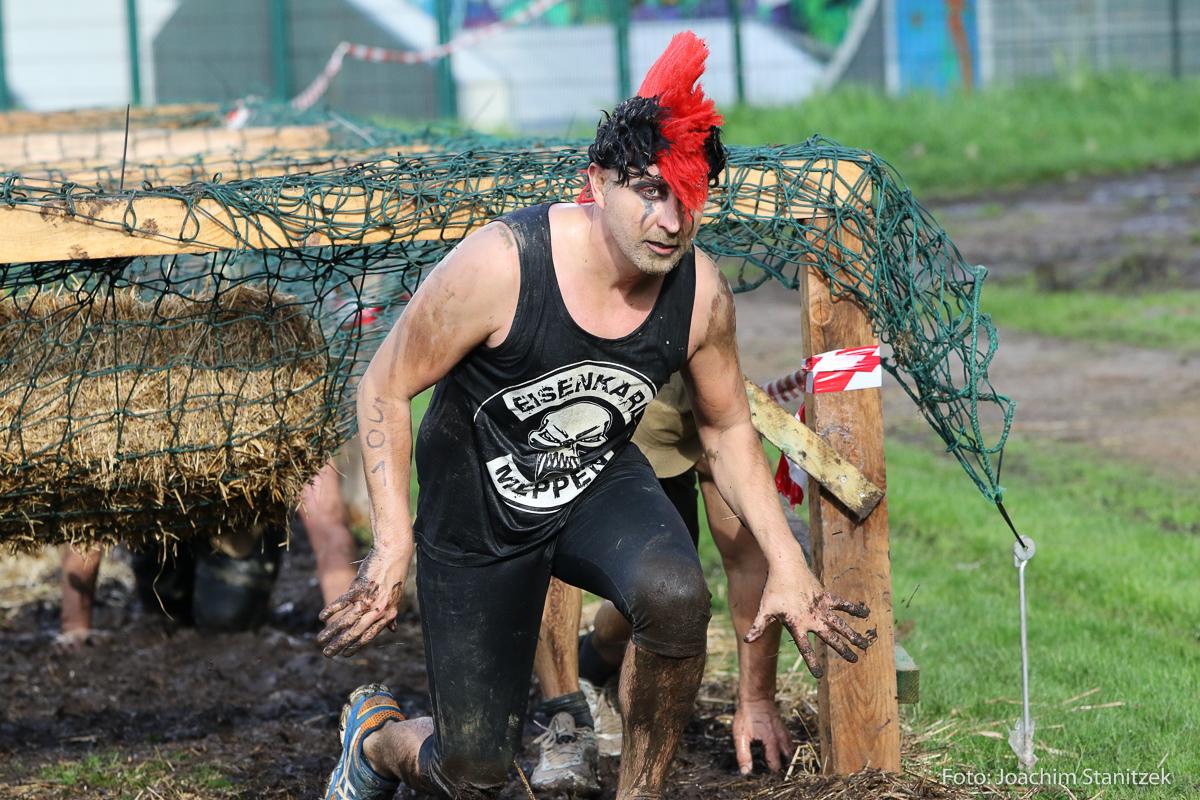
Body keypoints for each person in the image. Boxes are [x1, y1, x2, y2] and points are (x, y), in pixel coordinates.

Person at [317, 31, 874, 800]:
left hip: (594, 481)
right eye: (648, 191)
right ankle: (376, 738)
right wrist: (390, 544)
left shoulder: (699, 295)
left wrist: (789, 563)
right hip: (478, 506)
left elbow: (725, 430)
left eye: (687, 198)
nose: (670, 221)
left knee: (677, 596)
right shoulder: (502, 265)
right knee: (472, 772)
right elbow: (382, 385)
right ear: (596, 183)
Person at [528, 375, 812, 794]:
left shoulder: (706, 395)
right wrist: (564, 705)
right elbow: (545, 554)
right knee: (550, 537)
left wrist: (757, 700)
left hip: (669, 427)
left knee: (669, 591)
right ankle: (564, 714)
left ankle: (591, 663)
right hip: (578, 428)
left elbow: (746, 563)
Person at [58, 460, 359, 643]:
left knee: (227, 622)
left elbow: (327, 519)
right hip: (159, 519)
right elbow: (87, 518)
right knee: (164, 609)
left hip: (236, 518)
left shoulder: (267, 391)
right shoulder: (134, 394)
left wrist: (346, 625)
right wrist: (75, 627)